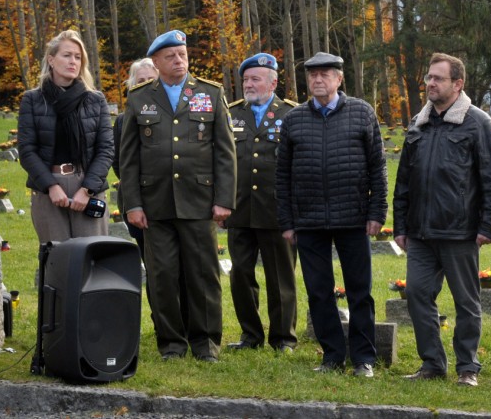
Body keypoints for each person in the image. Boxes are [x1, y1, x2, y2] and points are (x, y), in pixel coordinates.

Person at [119, 29, 236, 362]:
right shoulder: (140, 97)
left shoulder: (210, 93)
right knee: (163, 276)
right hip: (155, 204)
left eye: (182, 55)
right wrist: (133, 205)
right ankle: (171, 343)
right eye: (170, 56)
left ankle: (206, 343)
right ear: (155, 62)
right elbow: (129, 158)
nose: (178, 60)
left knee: (202, 275)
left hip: (198, 201)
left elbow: (225, 153)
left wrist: (224, 199)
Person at [392, 52, 491, 387]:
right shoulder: (419, 123)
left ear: (457, 84)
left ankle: (467, 367)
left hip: (460, 232)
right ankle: (432, 364)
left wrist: (487, 227)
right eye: (428, 77)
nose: (430, 83)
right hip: (420, 234)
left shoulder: (478, 122)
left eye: (438, 78)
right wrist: (401, 226)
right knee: (416, 295)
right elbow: (404, 180)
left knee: (466, 302)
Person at [276, 51, 387, 378]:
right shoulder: (294, 119)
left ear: (339, 79)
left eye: (325, 74)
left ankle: (364, 358)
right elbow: (282, 175)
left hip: (353, 217)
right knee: (319, 292)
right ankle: (332, 355)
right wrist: (287, 221)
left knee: (359, 291)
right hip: (309, 220)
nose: (317, 80)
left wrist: (377, 211)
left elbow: (377, 167)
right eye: (312, 75)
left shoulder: (362, 113)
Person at [225, 53, 298, 353]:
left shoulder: (292, 114)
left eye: (255, 79)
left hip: (276, 210)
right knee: (240, 274)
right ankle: (250, 335)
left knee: (280, 277)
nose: (249, 85)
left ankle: (283, 338)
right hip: (239, 208)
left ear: (273, 83)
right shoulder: (231, 113)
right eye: (245, 80)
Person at [18, 29, 114, 243]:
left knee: (92, 258)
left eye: (78, 57)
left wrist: (87, 190)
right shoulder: (33, 100)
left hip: (87, 186)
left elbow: (106, 149)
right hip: (49, 189)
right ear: (51, 60)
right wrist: (51, 186)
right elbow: (26, 150)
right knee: (57, 259)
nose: (73, 61)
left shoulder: (95, 100)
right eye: (67, 55)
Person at [113, 58, 159, 258]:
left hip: (168, 199)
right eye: (141, 80)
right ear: (132, 85)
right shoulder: (123, 120)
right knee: (150, 263)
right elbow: (118, 161)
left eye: (151, 79)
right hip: (137, 199)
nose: (147, 84)